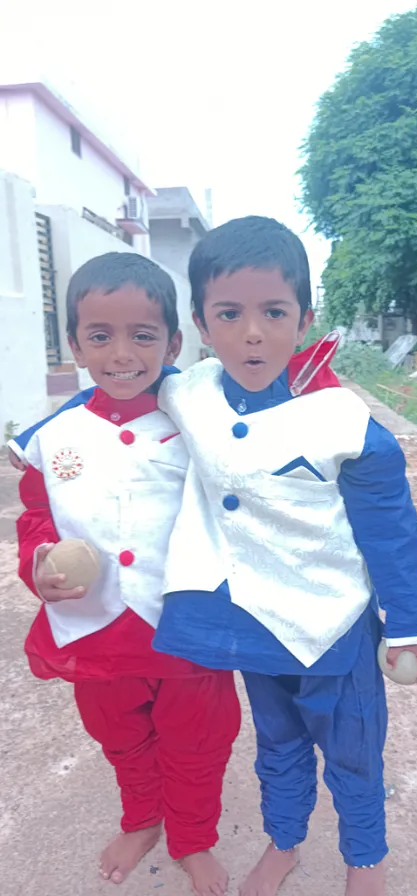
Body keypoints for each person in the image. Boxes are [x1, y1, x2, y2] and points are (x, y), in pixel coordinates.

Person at [151, 216, 417, 896]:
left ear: (303, 318)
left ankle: (364, 858)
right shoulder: (188, 391)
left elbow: (390, 527)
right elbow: (124, 388)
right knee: (278, 749)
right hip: (253, 624)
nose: (251, 332)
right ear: (201, 321)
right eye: (229, 313)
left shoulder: (342, 421)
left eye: (273, 312)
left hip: (331, 626)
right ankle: (284, 842)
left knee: (353, 756)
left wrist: (413, 625)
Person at [14, 252, 240, 896]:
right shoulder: (50, 438)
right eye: (100, 335)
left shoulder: (201, 420)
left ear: (173, 341)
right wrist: (38, 565)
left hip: (186, 623)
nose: (122, 353)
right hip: (95, 629)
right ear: (74, 345)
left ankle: (193, 836)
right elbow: (37, 518)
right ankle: (143, 817)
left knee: (197, 742)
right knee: (120, 736)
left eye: (143, 335)